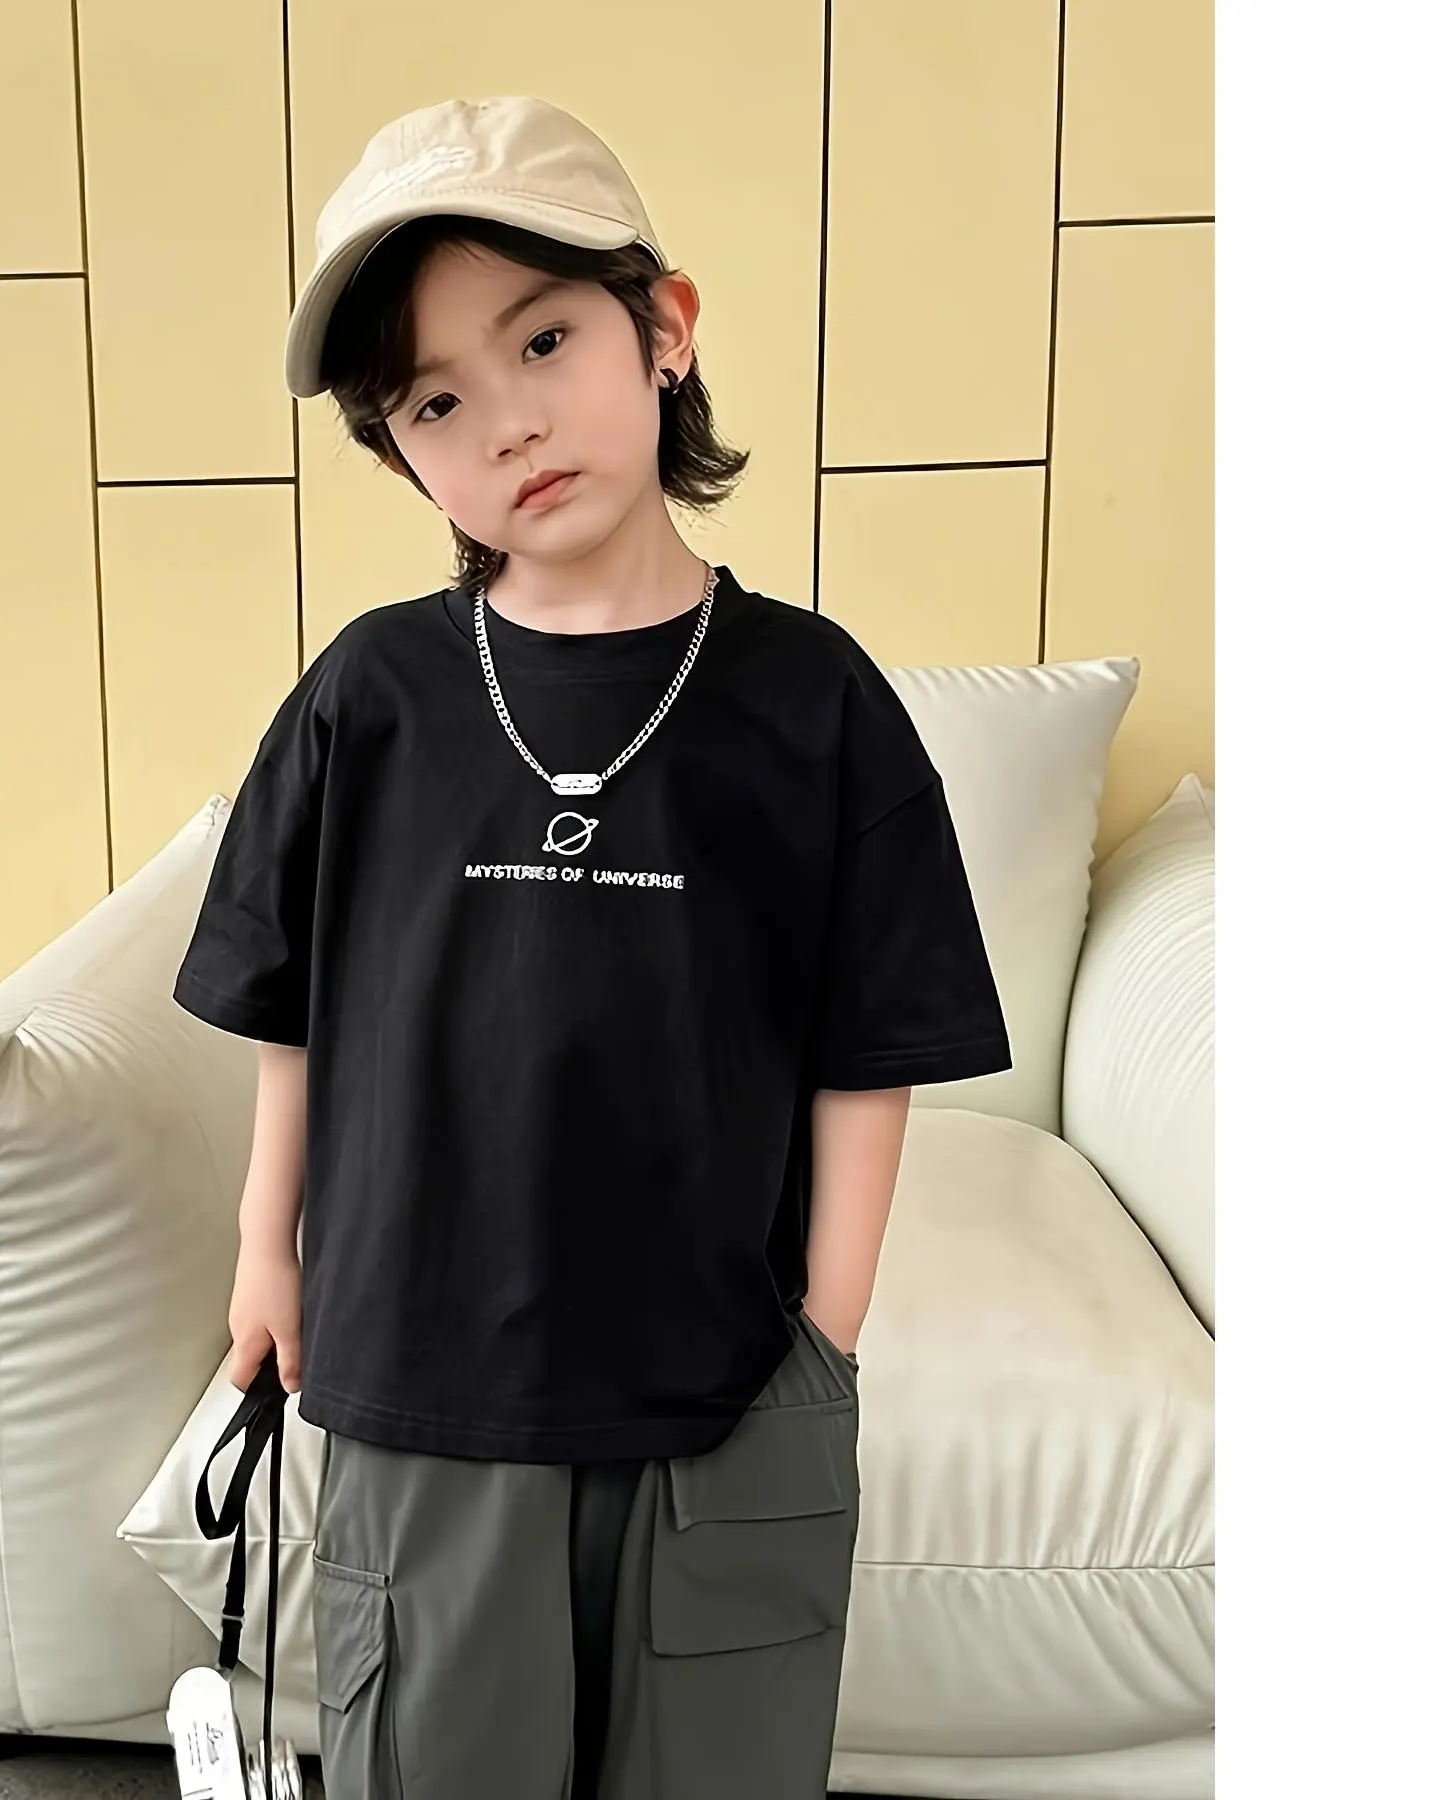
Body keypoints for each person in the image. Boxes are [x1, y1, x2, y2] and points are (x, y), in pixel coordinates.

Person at [172, 94, 1012, 1800]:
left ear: (666, 329)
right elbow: (288, 1004)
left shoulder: (815, 701)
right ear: (402, 456)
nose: (510, 422)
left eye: (545, 339)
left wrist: (825, 1338)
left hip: (721, 1388)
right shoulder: (370, 696)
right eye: (436, 401)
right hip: (420, 1387)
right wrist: (269, 1249)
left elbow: (873, 1046)